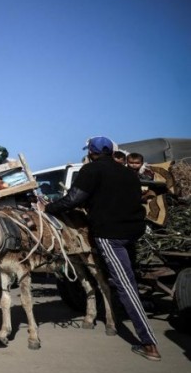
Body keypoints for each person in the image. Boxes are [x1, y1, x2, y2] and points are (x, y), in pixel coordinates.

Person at [44, 136, 161, 361]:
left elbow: (72, 200)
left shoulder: (91, 170)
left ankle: (149, 344)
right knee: (125, 277)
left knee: (125, 284)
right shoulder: (127, 172)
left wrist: (48, 207)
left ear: (92, 152)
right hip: (133, 232)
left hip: (111, 235)